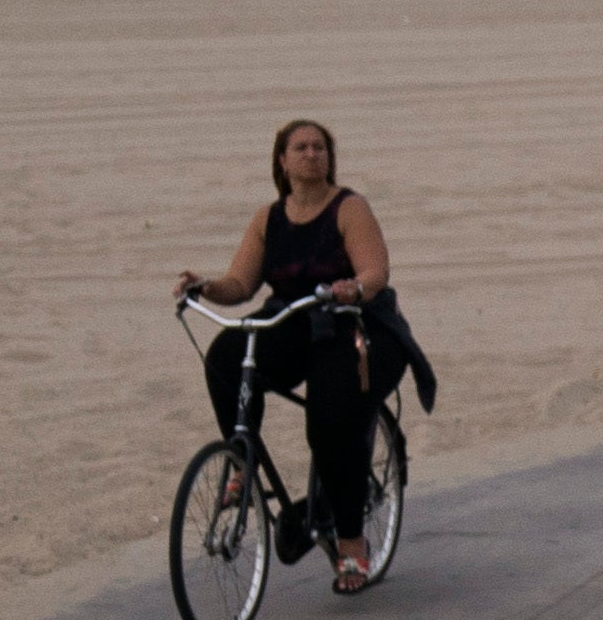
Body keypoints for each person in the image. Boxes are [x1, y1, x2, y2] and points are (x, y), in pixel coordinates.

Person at [175, 119, 433, 593]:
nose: (311, 154)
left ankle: (353, 545)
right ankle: (241, 461)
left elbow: (376, 270)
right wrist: (205, 286)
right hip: (295, 323)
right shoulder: (267, 218)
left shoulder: (349, 209)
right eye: (301, 147)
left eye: (319, 147)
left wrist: (354, 287)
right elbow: (241, 285)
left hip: (358, 329)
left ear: (329, 158)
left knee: (330, 420)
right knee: (228, 355)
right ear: (282, 160)